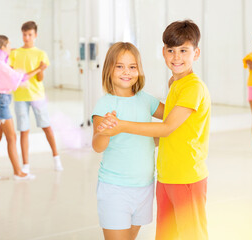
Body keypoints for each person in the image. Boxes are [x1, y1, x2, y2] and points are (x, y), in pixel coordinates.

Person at [98, 20, 210, 240]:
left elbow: (167, 128)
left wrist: (121, 126)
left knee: (191, 235)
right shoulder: (176, 84)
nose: (176, 57)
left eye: (184, 50)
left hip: (187, 176)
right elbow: (176, 129)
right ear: (164, 52)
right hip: (166, 176)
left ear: (196, 53)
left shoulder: (193, 87)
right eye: (171, 50)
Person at [92, 42, 164, 240]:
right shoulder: (105, 104)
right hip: (114, 189)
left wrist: (177, 85)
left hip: (145, 186)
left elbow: (170, 120)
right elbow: (97, 146)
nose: (127, 72)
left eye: (132, 67)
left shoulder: (146, 100)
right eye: (120, 66)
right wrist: (104, 131)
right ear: (109, 69)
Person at [0, 35, 45, 181]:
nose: (11, 47)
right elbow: (22, 78)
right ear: (2, 48)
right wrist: (39, 69)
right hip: (1, 102)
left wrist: (10, 50)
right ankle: (18, 172)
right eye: (8, 45)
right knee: (11, 137)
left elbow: (7, 56)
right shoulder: (0, 64)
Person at [9, 21, 63, 173]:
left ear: (35, 35)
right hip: (20, 96)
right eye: (24, 34)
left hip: (37, 95)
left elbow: (40, 78)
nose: (27, 38)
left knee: (46, 127)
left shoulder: (41, 54)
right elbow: (13, 75)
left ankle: (56, 158)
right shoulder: (15, 53)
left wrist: (40, 69)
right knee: (24, 130)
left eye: (30, 35)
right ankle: (26, 164)